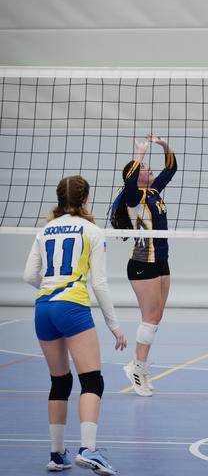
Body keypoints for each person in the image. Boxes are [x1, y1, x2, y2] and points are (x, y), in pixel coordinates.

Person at [23, 175, 127, 474]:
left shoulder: (45, 231)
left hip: (43, 307)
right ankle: (89, 450)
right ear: (85, 198)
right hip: (73, 307)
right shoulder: (92, 231)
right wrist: (114, 326)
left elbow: (30, 276)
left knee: (60, 381)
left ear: (60, 198)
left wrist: (52, 288)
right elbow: (100, 283)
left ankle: (57, 455)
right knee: (92, 380)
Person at [110, 135, 177, 397]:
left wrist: (163, 145)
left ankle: (137, 366)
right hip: (142, 263)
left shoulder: (154, 191)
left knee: (156, 318)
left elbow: (171, 168)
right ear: (135, 176)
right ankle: (137, 369)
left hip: (161, 260)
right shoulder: (132, 198)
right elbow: (129, 182)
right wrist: (138, 153)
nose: (149, 169)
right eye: (144, 168)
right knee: (149, 319)